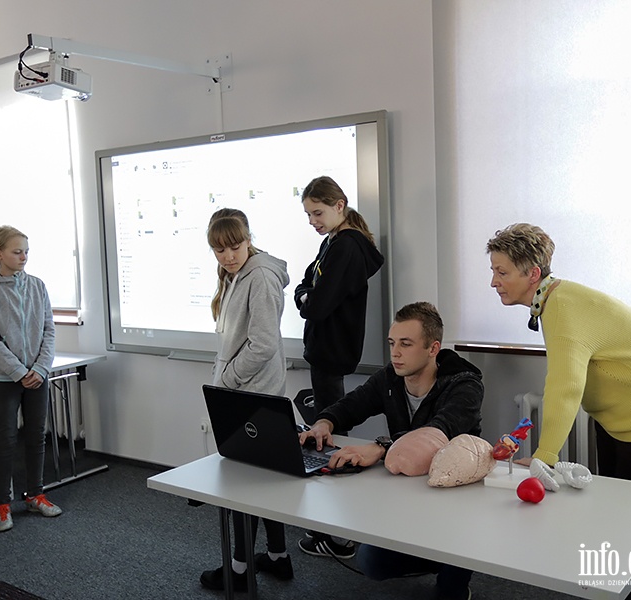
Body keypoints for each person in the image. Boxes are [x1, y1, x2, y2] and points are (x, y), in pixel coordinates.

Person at [486, 223, 631, 600]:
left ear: (532, 274)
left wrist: (545, 455)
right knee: (618, 517)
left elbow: (565, 387)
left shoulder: (563, 307)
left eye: (501, 272)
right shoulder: (559, 299)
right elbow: (622, 331)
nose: (493, 282)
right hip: (620, 419)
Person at [300, 302, 483, 600]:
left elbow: (439, 431)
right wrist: (324, 423)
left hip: (453, 501)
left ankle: (458, 565)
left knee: (450, 588)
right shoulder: (391, 378)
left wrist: (381, 447)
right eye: (392, 343)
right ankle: (441, 554)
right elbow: (353, 404)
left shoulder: (465, 386)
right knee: (373, 561)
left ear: (433, 348)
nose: (395, 352)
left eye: (406, 344)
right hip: (407, 492)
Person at [199, 208, 294, 592]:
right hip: (248, 392)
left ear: (248, 238)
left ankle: (239, 571)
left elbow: (264, 344)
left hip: (251, 393)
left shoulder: (261, 277)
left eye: (234, 247)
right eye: (219, 251)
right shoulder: (237, 275)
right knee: (262, 480)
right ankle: (277, 558)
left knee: (243, 484)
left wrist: (226, 380)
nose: (227, 256)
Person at [294, 175, 384, 557]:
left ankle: (339, 536)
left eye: (318, 212)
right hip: (327, 348)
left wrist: (304, 298)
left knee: (330, 436)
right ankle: (336, 528)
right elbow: (304, 285)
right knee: (327, 428)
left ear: (339, 205)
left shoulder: (347, 246)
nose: (313, 220)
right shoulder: (332, 242)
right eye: (308, 214)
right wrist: (305, 294)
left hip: (331, 350)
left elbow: (313, 302)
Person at [0, 225, 60, 533]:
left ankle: (36, 494)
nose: (23, 256)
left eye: (26, 251)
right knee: (7, 439)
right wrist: (18, 372)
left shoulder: (37, 286)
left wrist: (39, 369)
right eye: (16, 251)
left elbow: (49, 330)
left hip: (37, 377)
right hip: (5, 379)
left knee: (37, 435)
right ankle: (2, 505)